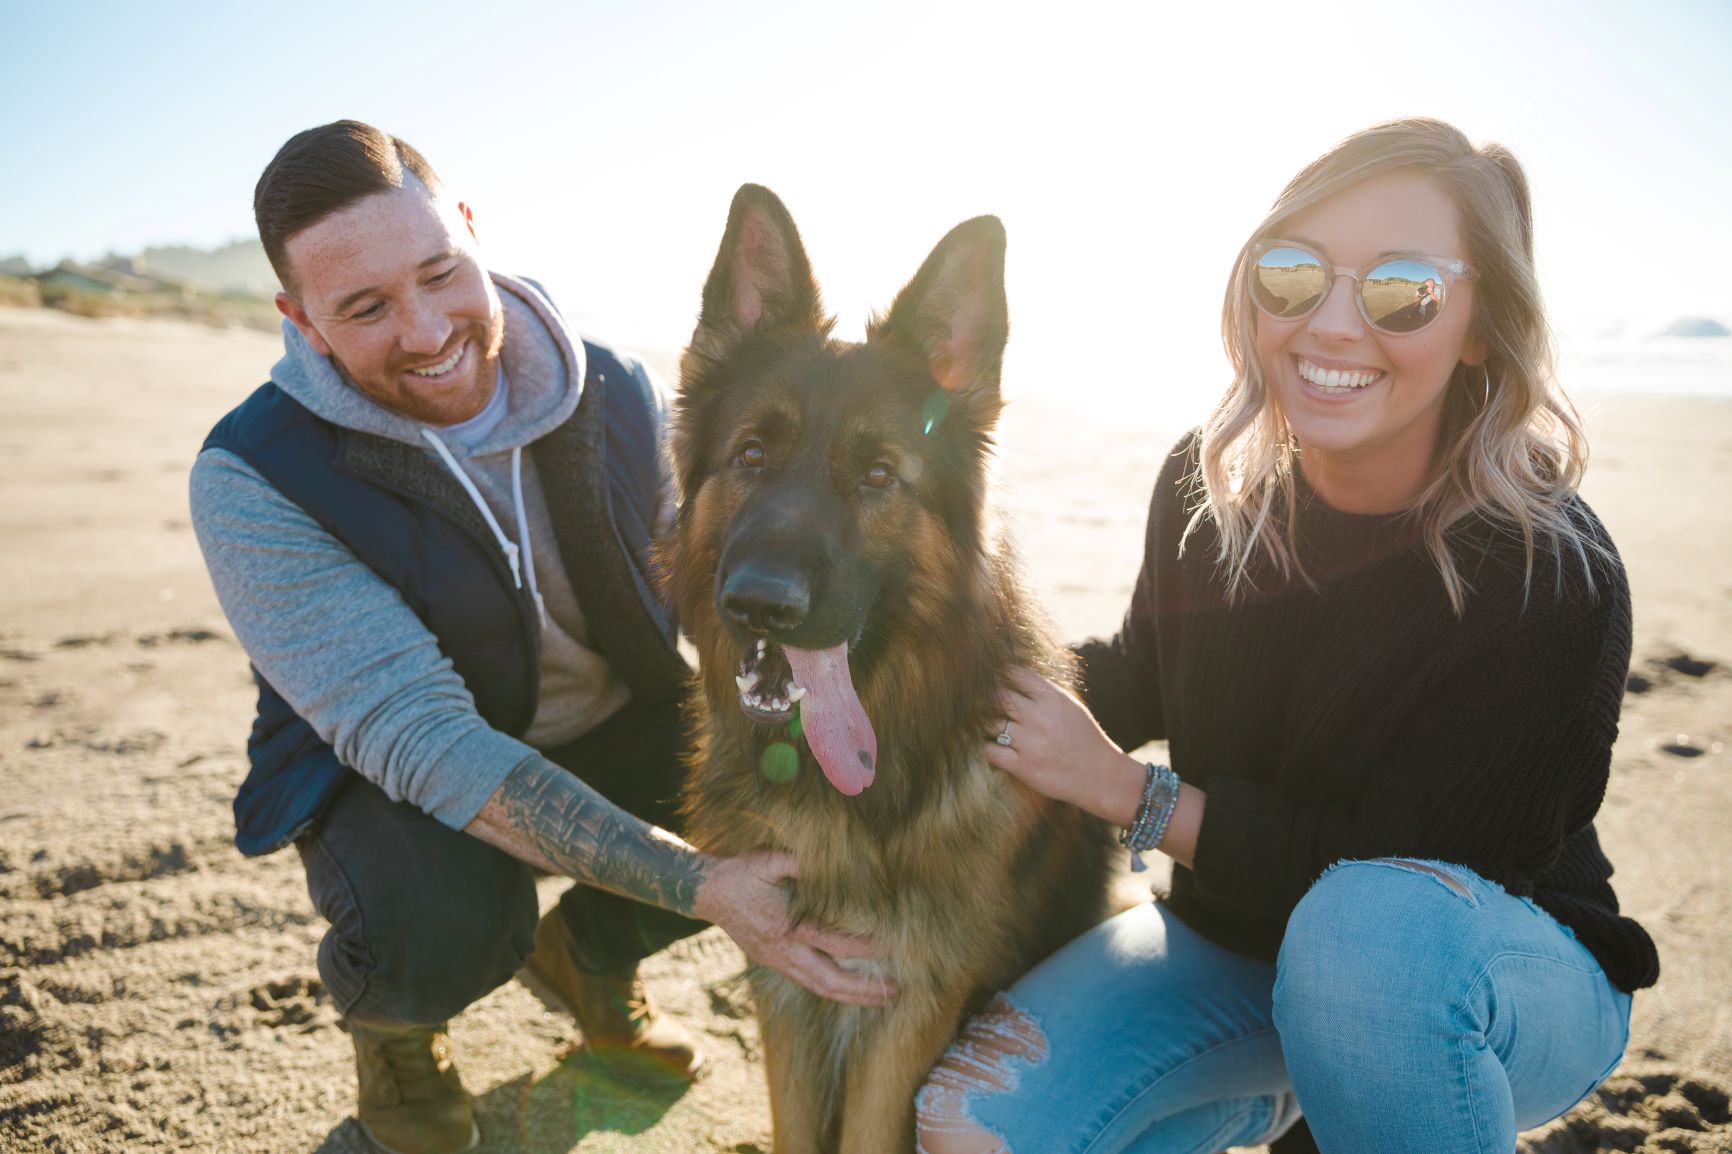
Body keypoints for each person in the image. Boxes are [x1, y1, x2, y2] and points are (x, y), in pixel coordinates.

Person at [915, 118, 1660, 1154]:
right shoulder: (1207, 482)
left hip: (1489, 976)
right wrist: (939, 688)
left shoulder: (1549, 574)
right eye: (1292, 274)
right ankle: (1274, 1097)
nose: (1332, 325)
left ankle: (1353, 1095)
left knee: (1363, 939)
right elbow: (1140, 673)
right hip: (1235, 940)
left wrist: (1131, 795)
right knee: (972, 1121)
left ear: (1481, 324)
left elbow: (1385, 862)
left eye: (1403, 292)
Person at [190, 121, 887, 1154]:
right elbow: (428, 742)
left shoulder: (615, 388)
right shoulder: (254, 476)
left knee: (789, 795)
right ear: (302, 320)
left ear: (472, 231)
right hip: (397, 782)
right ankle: (397, 1033)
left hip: (613, 716)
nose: (427, 331)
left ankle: (590, 955)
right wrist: (701, 882)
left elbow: (705, 598)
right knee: (445, 914)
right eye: (367, 307)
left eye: (439, 273)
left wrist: (822, 730)